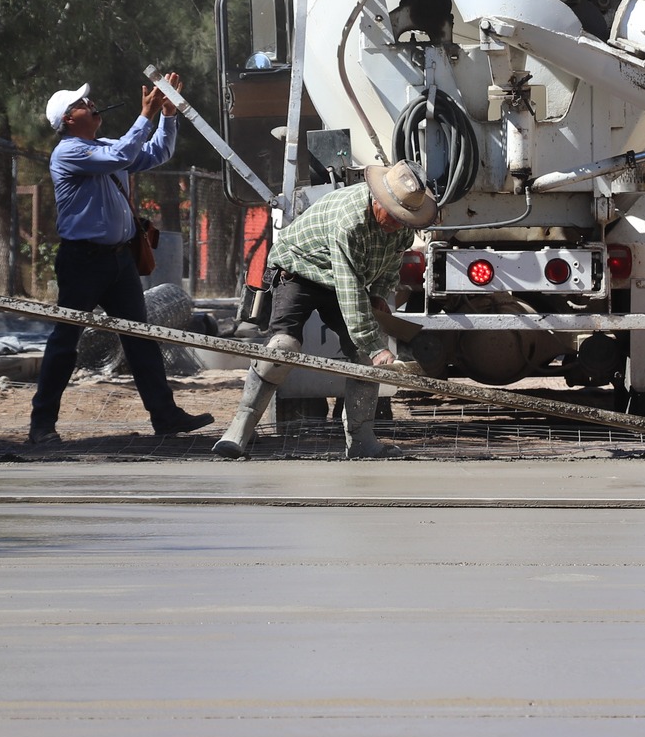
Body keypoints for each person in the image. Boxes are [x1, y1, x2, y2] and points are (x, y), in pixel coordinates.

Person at [26, 78, 214, 445]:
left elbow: (156, 153)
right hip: (82, 261)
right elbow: (121, 156)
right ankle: (41, 425)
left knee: (140, 338)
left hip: (118, 260)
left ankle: (165, 416)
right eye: (83, 102)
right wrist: (145, 114)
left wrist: (167, 116)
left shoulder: (107, 146)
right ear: (68, 119)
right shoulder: (69, 152)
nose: (92, 102)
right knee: (66, 342)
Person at [213, 161, 437, 461]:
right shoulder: (351, 219)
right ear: (377, 201)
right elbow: (349, 288)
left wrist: (381, 297)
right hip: (300, 269)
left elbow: (389, 268)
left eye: (403, 219)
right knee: (283, 348)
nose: (398, 224)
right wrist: (375, 347)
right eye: (394, 216)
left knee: (362, 357)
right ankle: (239, 430)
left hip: (343, 280)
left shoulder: (400, 228)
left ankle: (361, 440)